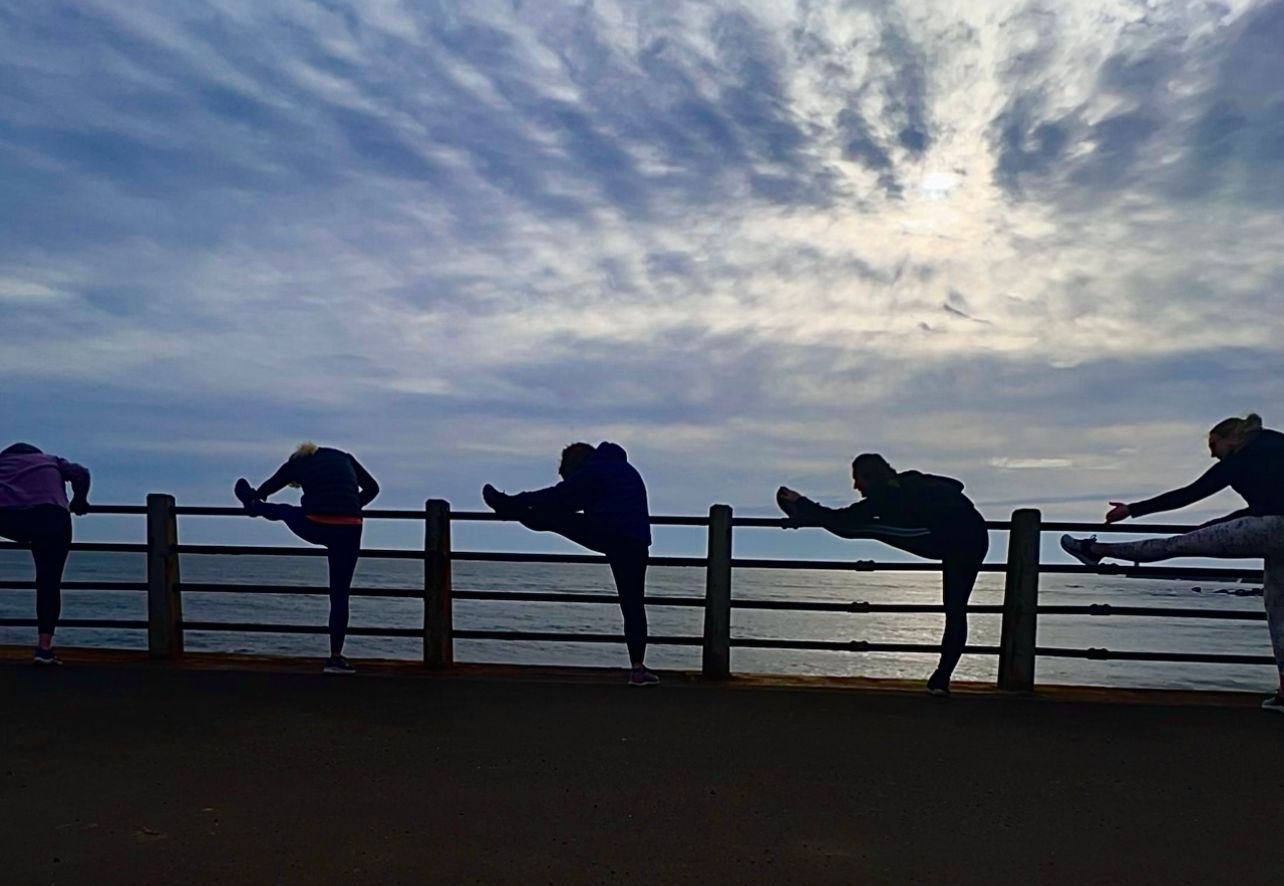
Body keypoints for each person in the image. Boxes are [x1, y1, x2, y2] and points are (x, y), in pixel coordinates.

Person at [1060, 414, 1284, 715]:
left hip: (1273, 529)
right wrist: (1217, 523)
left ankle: (1095, 549)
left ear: (1231, 438)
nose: (1212, 453)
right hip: (1272, 526)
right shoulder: (1273, 444)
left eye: (1213, 445)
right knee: (1277, 604)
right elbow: (1268, 501)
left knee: (1176, 545)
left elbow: (1189, 494)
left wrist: (1132, 509)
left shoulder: (1239, 458)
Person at [776, 453, 989, 697]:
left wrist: (802, 503)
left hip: (942, 537)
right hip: (977, 537)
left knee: (866, 528)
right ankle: (941, 680)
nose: (856, 486)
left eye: (858, 480)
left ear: (870, 477)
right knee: (955, 609)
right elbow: (956, 485)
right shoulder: (910, 482)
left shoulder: (888, 495)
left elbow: (845, 518)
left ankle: (806, 514)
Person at [482, 442, 658, 687]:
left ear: (575, 465)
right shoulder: (620, 468)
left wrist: (521, 502)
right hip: (637, 543)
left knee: (555, 517)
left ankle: (507, 506)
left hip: (608, 533)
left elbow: (558, 497)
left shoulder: (594, 471)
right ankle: (638, 669)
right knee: (633, 604)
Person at [234, 442, 379, 674]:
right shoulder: (346, 458)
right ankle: (335, 659)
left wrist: (256, 497)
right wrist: (350, 505)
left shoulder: (297, 462)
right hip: (351, 527)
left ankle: (251, 506)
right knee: (340, 594)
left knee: (283, 510)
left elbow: (269, 487)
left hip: (317, 524)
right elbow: (373, 488)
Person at [0, 443, 91, 665]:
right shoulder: (51, 460)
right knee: (48, 582)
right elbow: (81, 473)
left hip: (7, 517)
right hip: (50, 518)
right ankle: (44, 649)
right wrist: (79, 500)